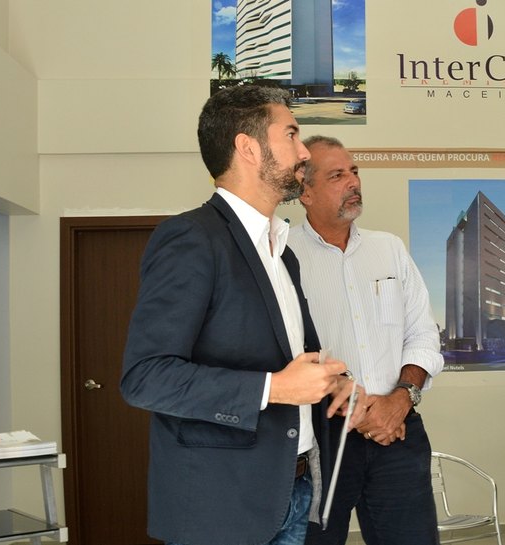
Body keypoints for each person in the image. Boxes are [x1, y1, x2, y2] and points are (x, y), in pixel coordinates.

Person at [120, 86, 360, 545]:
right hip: (222, 509)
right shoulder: (191, 238)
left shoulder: (282, 253)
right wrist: (276, 388)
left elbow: (291, 359)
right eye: (291, 134)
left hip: (295, 491)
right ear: (247, 148)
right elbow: (145, 377)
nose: (304, 150)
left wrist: (331, 382)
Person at [286, 136, 444, 545]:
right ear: (304, 191)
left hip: (398, 426)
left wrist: (401, 397)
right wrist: (353, 406)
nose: (353, 182)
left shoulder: (388, 249)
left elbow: (424, 334)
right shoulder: (283, 256)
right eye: (337, 175)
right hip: (322, 434)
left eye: (354, 171)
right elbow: (283, 349)